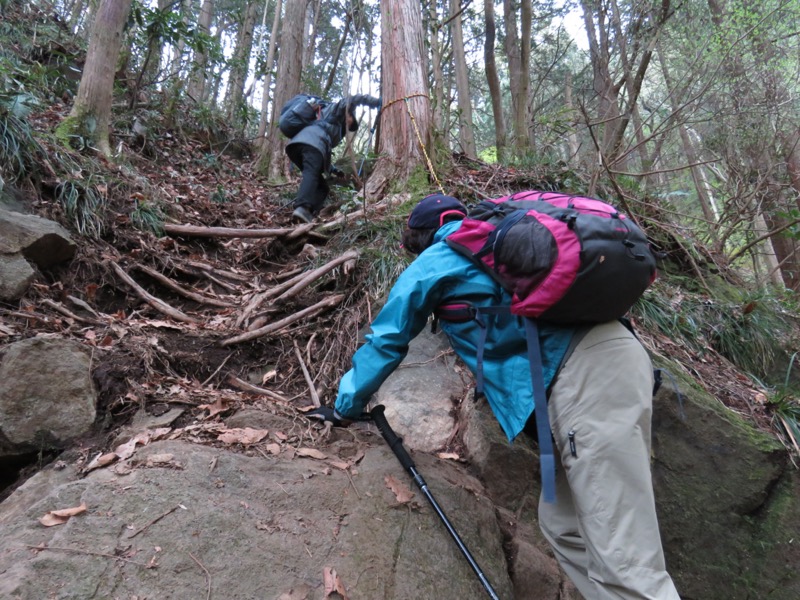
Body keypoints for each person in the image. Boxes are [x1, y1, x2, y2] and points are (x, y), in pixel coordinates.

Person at [308, 193, 682, 599]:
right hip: (605, 363)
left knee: (625, 561)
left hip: (586, 377)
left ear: (419, 238)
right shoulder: (496, 245)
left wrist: (346, 406)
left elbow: (386, 339)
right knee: (565, 527)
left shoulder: (440, 258)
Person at [285, 94, 381, 223]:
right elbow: (353, 99)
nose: (350, 122)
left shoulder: (331, 127)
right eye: (352, 119)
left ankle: (308, 215)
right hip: (310, 144)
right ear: (350, 114)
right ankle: (302, 207)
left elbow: (324, 153)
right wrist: (375, 102)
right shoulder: (336, 110)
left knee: (322, 187)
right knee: (312, 173)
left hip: (297, 146)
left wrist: (334, 170)